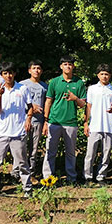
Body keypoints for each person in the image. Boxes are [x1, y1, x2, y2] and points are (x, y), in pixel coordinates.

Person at [0, 62, 38, 195]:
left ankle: (27, 189)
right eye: (5, 73)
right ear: (2, 75)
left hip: (18, 132)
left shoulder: (22, 88)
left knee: (22, 163)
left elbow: (30, 106)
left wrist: (28, 119)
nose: (8, 76)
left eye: (10, 73)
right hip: (1, 132)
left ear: (14, 74)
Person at [42, 56, 87, 184]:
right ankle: (47, 178)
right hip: (54, 121)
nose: (67, 66)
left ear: (73, 66)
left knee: (71, 153)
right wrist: (46, 120)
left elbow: (83, 104)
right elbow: (48, 101)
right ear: (61, 66)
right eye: (65, 64)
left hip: (71, 122)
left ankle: (71, 178)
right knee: (50, 151)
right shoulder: (54, 82)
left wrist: (75, 98)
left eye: (70, 64)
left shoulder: (79, 83)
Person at [83, 64, 112, 186]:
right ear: (98, 75)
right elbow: (88, 106)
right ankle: (88, 176)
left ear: (110, 76)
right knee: (90, 153)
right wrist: (86, 123)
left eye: (107, 74)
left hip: (108, 126)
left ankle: (101, 176)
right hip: (94, 125)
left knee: (106, 153)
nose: (104, 76)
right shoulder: (92, 89)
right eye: (102, 74)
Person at [19, 60, 48, 178]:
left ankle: (30, 173)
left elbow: (47, 104)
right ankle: (17, 173)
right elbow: (17, 102)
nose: (36, 70)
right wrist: (31, 107)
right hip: (22, 121)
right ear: (29, 70)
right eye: (34, 68)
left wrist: (46, 121)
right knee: (20, 148)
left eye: (39, 68)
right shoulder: (22, 85)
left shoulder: (45, 87)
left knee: (34, 150)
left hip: (38, 122)